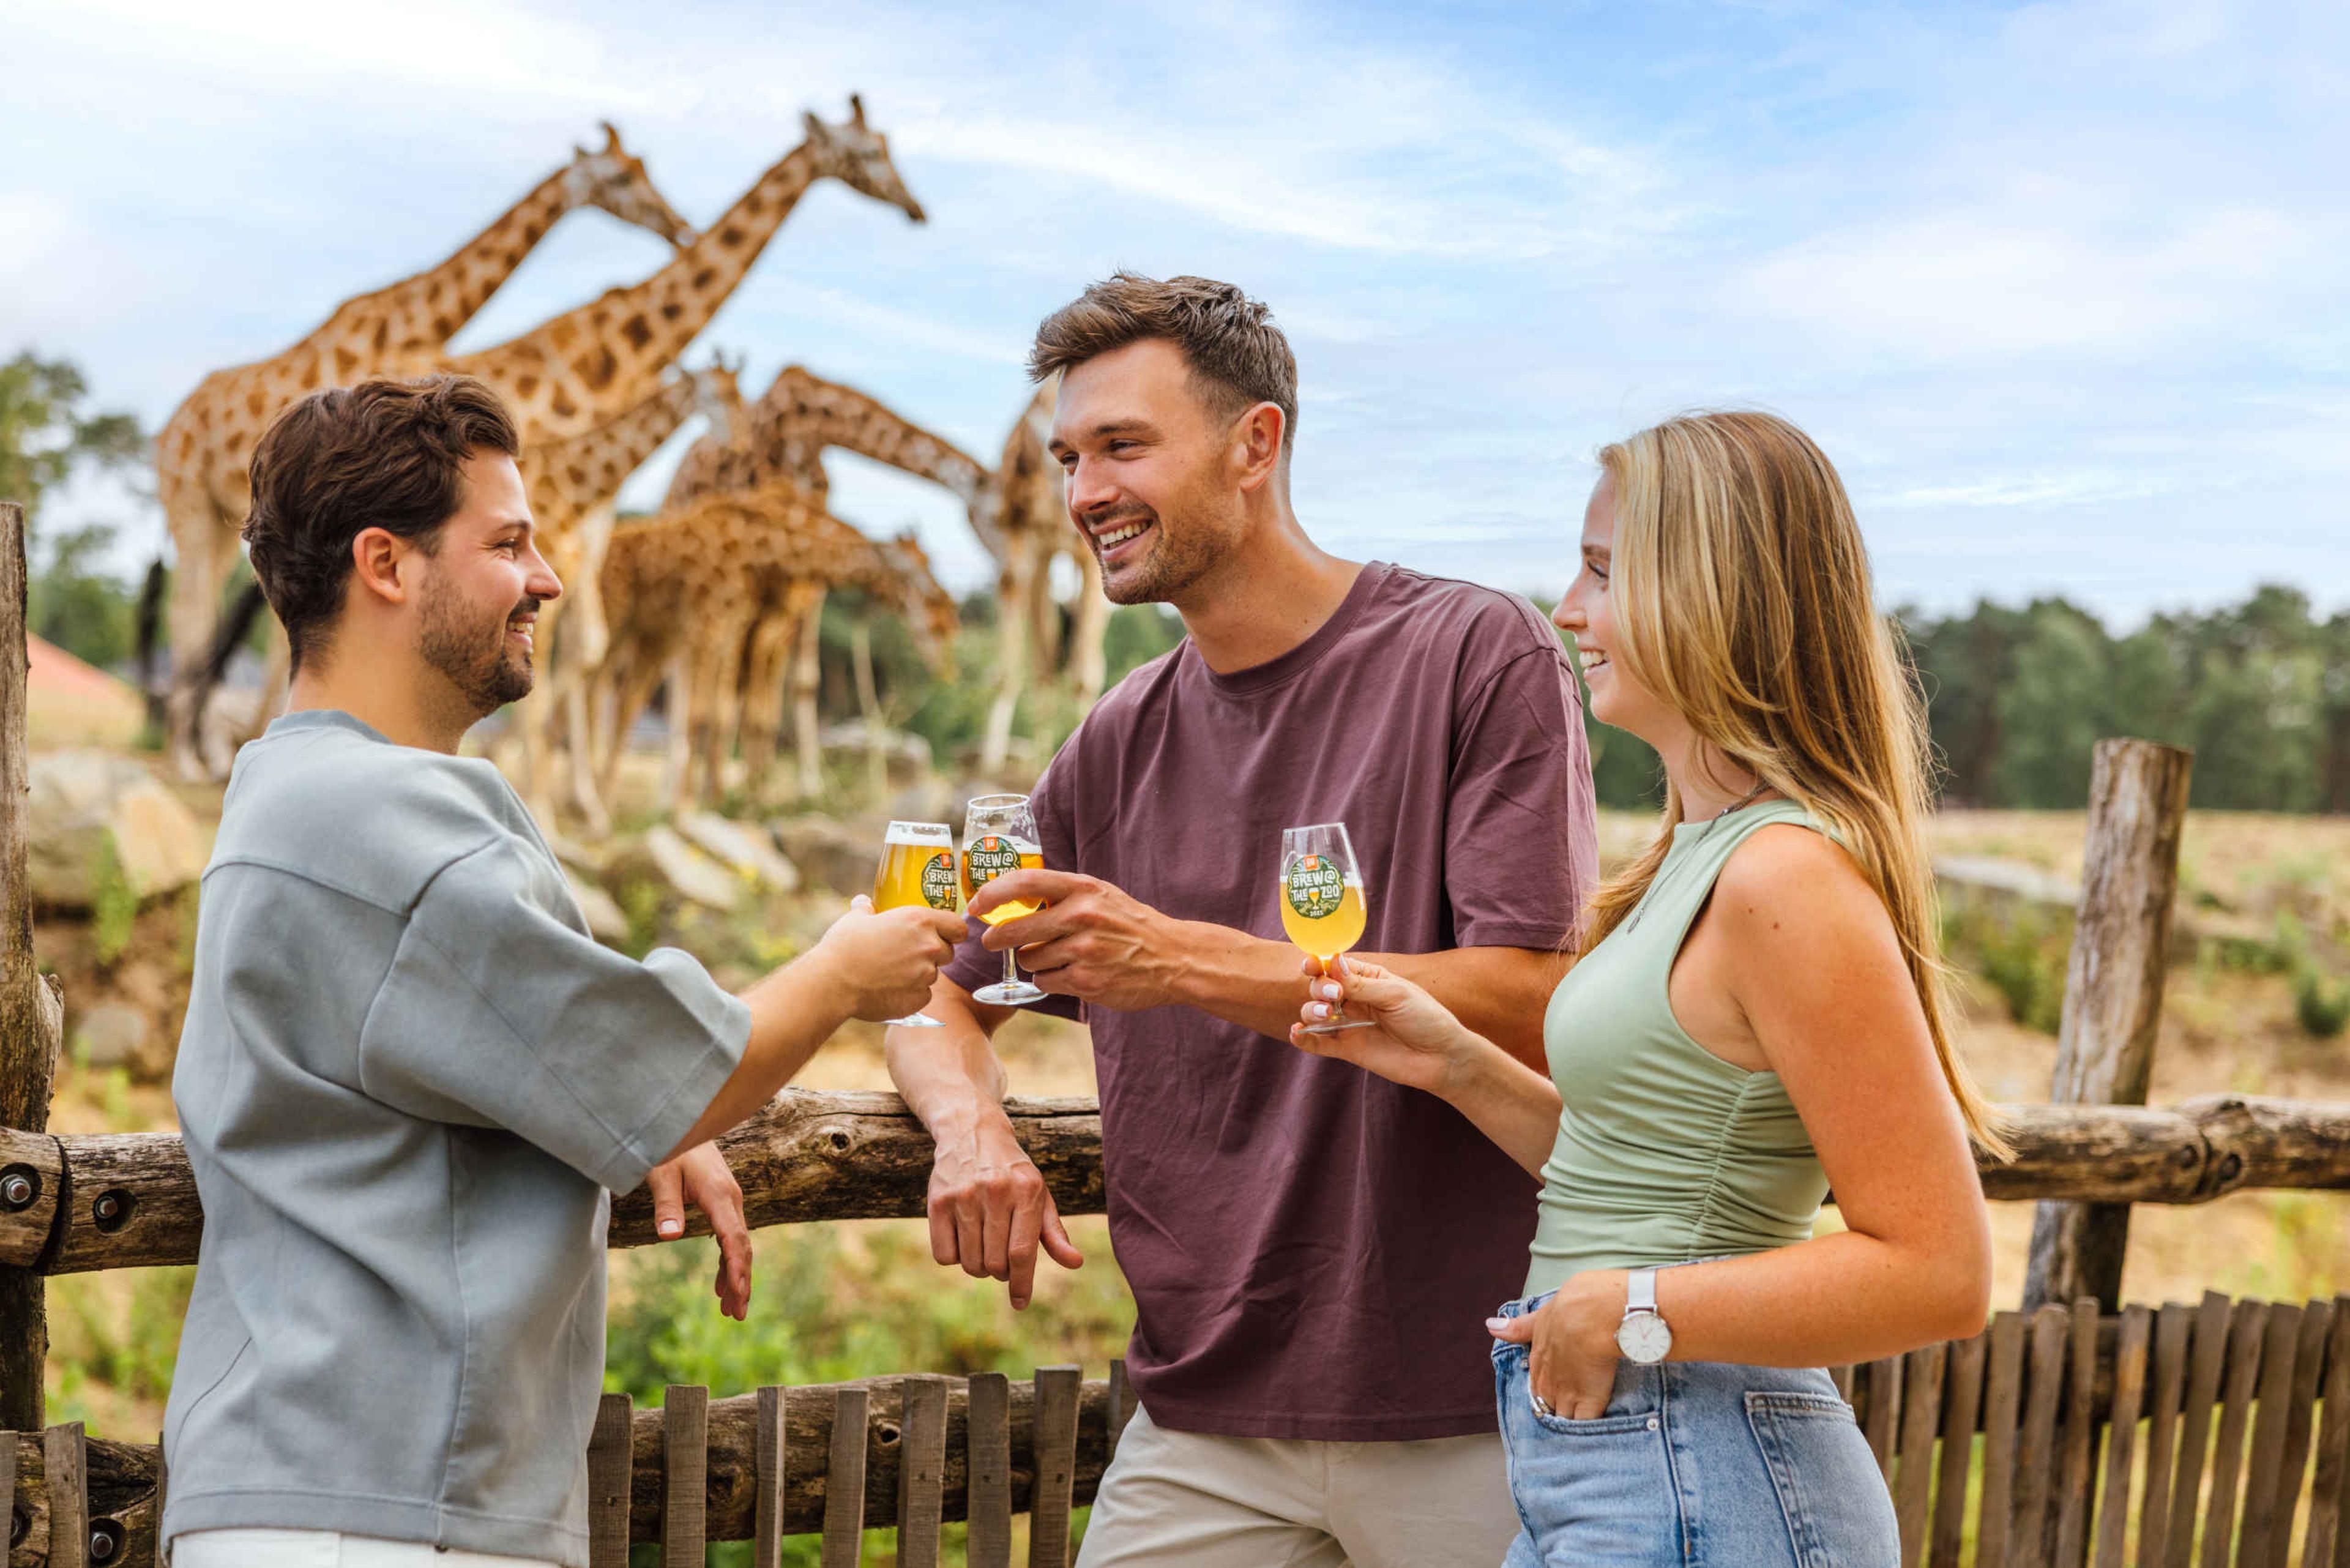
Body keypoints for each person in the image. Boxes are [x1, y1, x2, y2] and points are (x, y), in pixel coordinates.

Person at [160, 375, 964, 1568]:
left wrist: (604, 1105)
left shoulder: (305, 795)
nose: (548, 577)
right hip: (379, 1511)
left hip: (345, 1493)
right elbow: (663, 1077)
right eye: (510, 542)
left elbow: (514, 1039)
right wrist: (844, 974)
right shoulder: (382, 826)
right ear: (385, 565)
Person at [884, 274, 1600, 1567]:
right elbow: (930, 981)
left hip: (1477, 1400)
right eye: (1067, 457)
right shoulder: (1116, 738)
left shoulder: (1475, 654)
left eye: (1123, 447)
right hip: (1202, 1418)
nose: (1083, 492)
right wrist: (970, 1124)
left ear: (1255, 444)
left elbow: (1536, 1002)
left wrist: (1185, 964)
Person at [1293, 410, 2010, 1566]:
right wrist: (1458, 1064)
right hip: (1632, 1466)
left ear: (1713, 596)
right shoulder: (1699, 851)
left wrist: (1621, 1306)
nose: (1568, 610)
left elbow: (1941, 1270)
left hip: (1703, 1469)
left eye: (1604, 573)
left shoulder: (1785, 876)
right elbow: (1652, 1177)